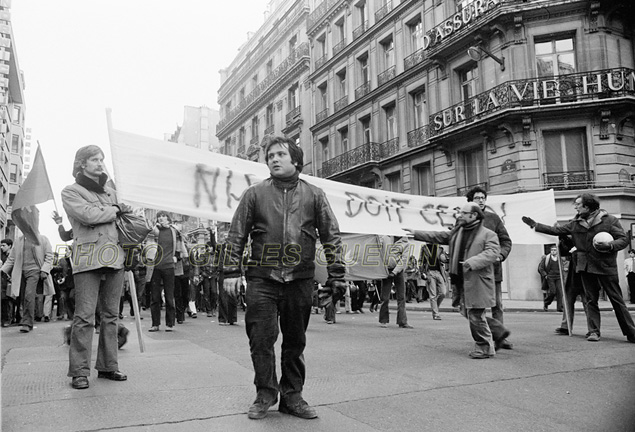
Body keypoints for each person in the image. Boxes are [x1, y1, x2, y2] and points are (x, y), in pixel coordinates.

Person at [222, 136, 346, 420]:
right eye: (270, 156)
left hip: (300, 279)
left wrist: (336, 276)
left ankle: (293, 396)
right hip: (261, 279)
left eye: (280, 154)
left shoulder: (315, 195)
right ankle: (265, 393)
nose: (274, 159)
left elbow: (331, 236)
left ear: (296, 160)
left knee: (295, 341)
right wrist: (230, 271)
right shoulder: (254, 194)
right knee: (261, 340)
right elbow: (236, 235)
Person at [522, 193, 635, 343]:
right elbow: (556, 231)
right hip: (585, 266)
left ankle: (631, 332)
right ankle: (593, 332)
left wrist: (610, 245)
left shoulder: (609, 220)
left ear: (587, 207)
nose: (575, 207)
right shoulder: (575, 223)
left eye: (578, 204)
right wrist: (535, 225)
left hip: (606, 266)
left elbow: (623, 239)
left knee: (617, 300)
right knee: (590, 300)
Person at [61, 145, 128, 389]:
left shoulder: (112, 191)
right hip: (87, 256)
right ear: (81, 163)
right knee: (85, 316)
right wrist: (115, 210)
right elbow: (87, 215)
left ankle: (109, 366)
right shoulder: (70, 191)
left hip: (114, 256)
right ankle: (79, 371)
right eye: (94, 159)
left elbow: (127, 214)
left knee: (111, 315)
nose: (100, 163)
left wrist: (119, 207)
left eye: (101, 159)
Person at [406, 203, 510, 359]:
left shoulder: (488, 234)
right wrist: (416, 233)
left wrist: (472, 262)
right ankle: (497, 332)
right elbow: (438, 236)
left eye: (464, 213)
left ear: (474, 215)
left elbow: (492, 252)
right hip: (460, 281)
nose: (460, 215)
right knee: (466, 311)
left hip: (477, 281)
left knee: (475, 315)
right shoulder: (458, 232)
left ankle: (484, 347)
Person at [466, 186, 513, 349]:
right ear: (470, 201)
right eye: (477, 198)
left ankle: (499, 338)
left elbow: (506, 241)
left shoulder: (494, 219)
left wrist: (500, 256)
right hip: (471, 272)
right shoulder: (464, 219)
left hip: (492, 271)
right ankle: (495, 332)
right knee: (473, 308)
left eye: (483, 198)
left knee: (497, 304)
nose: (480, 200)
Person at [0, 218, 55, 334]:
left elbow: (49, 255)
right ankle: (26, 319)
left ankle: (27, 323)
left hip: (35, 271)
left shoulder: (42, 239)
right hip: (21, 272)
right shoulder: (19, 241)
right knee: (22, 298)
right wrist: (3, 270)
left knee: (29, 296)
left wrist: (45, 270)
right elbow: (12, 258)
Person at [146, 211, 187, 332]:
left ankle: (170, 323)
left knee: (170, 296)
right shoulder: (154, 231)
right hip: (155, 267)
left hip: (169, 267)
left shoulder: (174, 231)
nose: (161, 219)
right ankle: (155, 324)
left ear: (168, 219)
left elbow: (180, 246)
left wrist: (177, 257)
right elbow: (148, 247)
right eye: (159, 217)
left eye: (163, 217)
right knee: (155, 297)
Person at [378, 235, 413, 329]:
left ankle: (402, 321)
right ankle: (383, 320)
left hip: (398, 271)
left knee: (401, 297)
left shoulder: (406, 243)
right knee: (384, 297)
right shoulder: (385, 238)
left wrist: (394, 272)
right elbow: (378, 250)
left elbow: (404, 260)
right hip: (386, 269)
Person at [420, 243, 448, 320]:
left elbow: (444, 259)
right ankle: (436, 314)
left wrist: (446, 258)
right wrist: (422, 272)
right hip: (429, 272)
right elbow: (421, 260)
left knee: (443, 293)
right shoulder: (425, 247)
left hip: (439, 272)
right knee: (433, 294)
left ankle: (435, 308)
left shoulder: (440, 248)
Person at [538, 245, 564, 312]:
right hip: (550, 277)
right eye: (552, 250)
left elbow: (562, 267)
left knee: (560, 292)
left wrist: (562, 275)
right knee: (553, 291)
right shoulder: (547, 258)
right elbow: (541, 268)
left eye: (555, 250)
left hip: (558, 277)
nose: (553, 251)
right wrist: (545, 275)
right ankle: (546, 302)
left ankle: (559, 307)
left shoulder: (559, 259)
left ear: (557, 251)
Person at [1, 238, 14, 326]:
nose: (1, 247)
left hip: (10, 280)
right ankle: (5, 319)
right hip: (3, 280)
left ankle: (9, 319)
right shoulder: (1, 255)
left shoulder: (12, 255)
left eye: (3, 245)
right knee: (4, 300)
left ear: (9, 246)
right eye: (1, 246)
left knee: (10, 300)